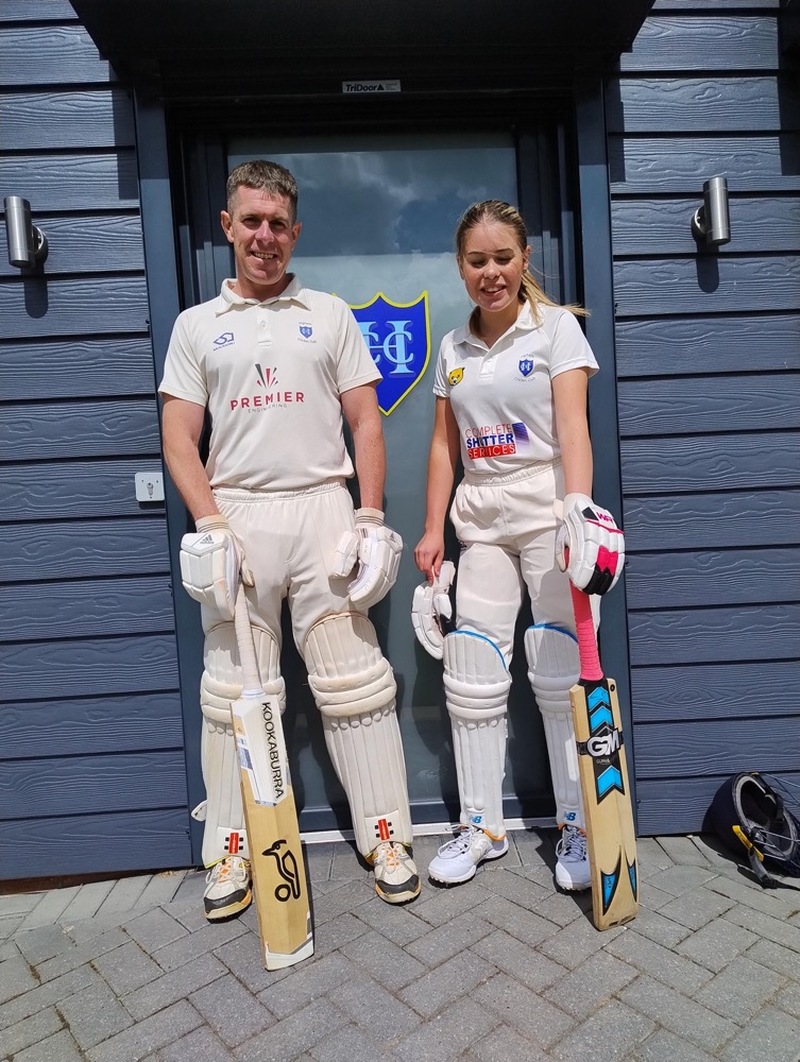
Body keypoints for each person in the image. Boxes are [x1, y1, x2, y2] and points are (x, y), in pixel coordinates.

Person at [159, 159, 420, 921]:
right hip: (238, 511)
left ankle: (386, 836)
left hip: (321, 507)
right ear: (228, 227)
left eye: (277, 223)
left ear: (294, 230)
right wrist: (209, 522)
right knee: (235, 694)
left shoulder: (329, 312)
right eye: (251, 221)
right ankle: (234, 851)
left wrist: (369, 517)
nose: (264, 236)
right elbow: (179, 436)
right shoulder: (196, 326)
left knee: (354, 682)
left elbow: (366, 418)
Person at [413, 200, 624, 891]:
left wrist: (579, 509)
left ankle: (576, 822)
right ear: (461, 268)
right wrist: (431, 529)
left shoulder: (555, 329)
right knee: (471, 670)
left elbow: (574, 427)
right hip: (480, 516)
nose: (491, 273)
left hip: (543, 508)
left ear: (524, 259)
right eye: (477, 261)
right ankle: (482, 825)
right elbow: (445, 450)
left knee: (558, 668)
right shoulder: (452, 347)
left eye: (503, 258)